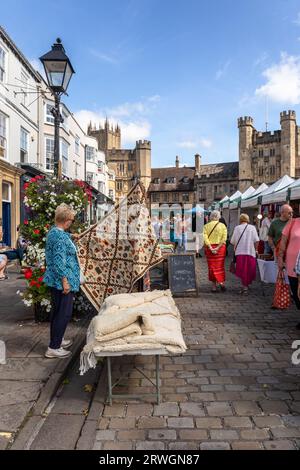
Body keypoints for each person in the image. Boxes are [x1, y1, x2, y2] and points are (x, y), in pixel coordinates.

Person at [43, 203, 80, 358]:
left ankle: (57, 339)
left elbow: (62, 238)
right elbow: (59, 261)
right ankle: (54, 347)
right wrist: (65, 281)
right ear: (66, 221)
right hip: (61, 281)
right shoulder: (59, 237)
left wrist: (73, 236)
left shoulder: (55, 232)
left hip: (55, 280)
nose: (71, 223)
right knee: (63, 313)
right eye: (71, 220)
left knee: (57, 311)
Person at [278, 217, 300, 329]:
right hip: (293, 265)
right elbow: (283, 241)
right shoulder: (293, 222)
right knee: (296, 293)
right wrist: (280, 258)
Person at [230, 213, 259, 294]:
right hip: (250, 252)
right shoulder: (252, 228)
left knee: (242, 270)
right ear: (248, 219)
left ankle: (245, 286)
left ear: (240, 219)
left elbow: (233, 241)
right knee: (249, 269)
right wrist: (256, 249)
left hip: (240, 252)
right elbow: (257, 240)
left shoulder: (237, 228)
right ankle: (246, 285)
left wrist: (235, 249)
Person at [203, 210, 227, 292]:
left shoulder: (206, 226)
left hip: (210, 249)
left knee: (212, 267)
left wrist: (210, 247)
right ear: (219, 216)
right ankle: (221, 283)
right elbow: (224, 238)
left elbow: (205, 238)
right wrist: (217, 248)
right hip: (220, 248)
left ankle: (214, 286)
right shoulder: (223, 226)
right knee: (220, 266)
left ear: (211, 217)